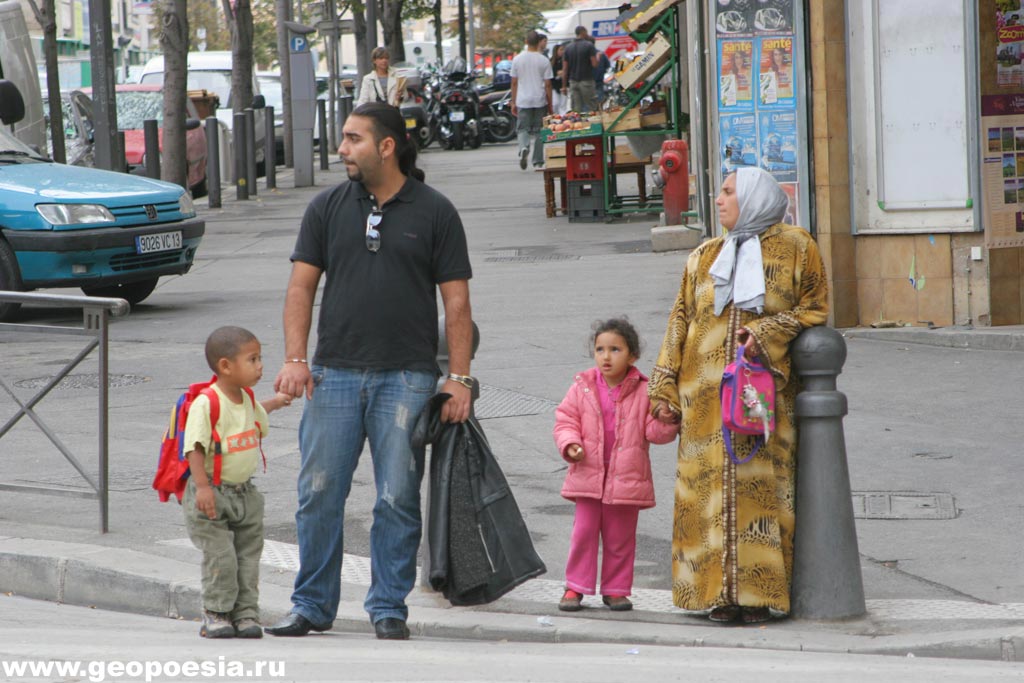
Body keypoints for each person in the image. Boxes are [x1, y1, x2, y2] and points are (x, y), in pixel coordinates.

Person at [267, 102, 474, 641]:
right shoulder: (326, 207)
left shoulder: (436, 211)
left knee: (397, 498)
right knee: (317, 492)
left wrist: (459, 377)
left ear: (387, 146)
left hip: (406, 378)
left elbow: (456, 303)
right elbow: (300, 288)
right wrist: (295, 358)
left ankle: (388, 606)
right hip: (332, 374)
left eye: (353, 139)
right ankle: (311, 604)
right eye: (342, 138)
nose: (342, 149)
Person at [648, 167, 829, 625]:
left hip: (763, 400)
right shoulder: (704, 255)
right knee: (703, 494)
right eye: (721, 192)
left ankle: (758, 596)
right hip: (703, 403)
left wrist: (766, 331)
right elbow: (679, 323)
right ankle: (716, 595)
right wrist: (664, 388)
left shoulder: (797, 247)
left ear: (754, 196)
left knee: (763, 496)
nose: (720, 199)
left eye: (729, 191)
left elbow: (815, 308)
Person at [553, 318, 677, 613]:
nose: (606, 356)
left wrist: (667, 419)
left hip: (627, 479)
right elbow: (565, 420)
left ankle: (616, 590)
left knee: (620, 538)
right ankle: (575, 587)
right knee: (583, 533)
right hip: (588, 476)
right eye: (600, 349)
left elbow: (655, 434)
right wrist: (570, 444)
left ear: (632, 355)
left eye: (615, 349)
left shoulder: (645, 391)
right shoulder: (582, 386)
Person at [182, 326, 292, 639]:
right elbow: (195, 448)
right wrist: (203, 488)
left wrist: (277, 402)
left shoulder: (245, 397)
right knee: (222, 557)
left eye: (260, 358)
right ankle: (216, 612)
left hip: (245, 494)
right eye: (252, 359)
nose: (260, 366)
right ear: (225, 366)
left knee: (247, 557)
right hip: (213, 493)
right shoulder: (208, 403)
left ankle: (245, 614)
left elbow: (257, 415)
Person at [511, 30, 553, 170]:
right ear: (538, 42)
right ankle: (538, 161)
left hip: (523, 100)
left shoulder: (517, 60)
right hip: (539, 100)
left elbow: (514, 83)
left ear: (526, 42)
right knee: (540, 131)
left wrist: (513, 102)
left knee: (522, 129)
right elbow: (547, 84)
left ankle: (524, 147)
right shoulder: (544, 60)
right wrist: (550, 104)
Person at [562, 26, 598, 112]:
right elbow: (594, 64)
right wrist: (598, 58)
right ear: (583, 32)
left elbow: (565, 69)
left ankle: (577, 124)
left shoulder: (568, 47)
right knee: (591, 107)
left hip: (573, 81)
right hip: (586, 80)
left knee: (576, 109)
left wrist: (563, 86)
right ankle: (593, 124)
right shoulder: (589, 45)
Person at [549, 43, 568, 115]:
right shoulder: (551, 61)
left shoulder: (565, 60)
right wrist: (557, 73)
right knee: (555, 103)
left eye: (563, 50)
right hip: (554, 86)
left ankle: (562, 116)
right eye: (561, 50)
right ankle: (556, 115)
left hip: (564, 85)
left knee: (563, 105)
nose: (562, 51)